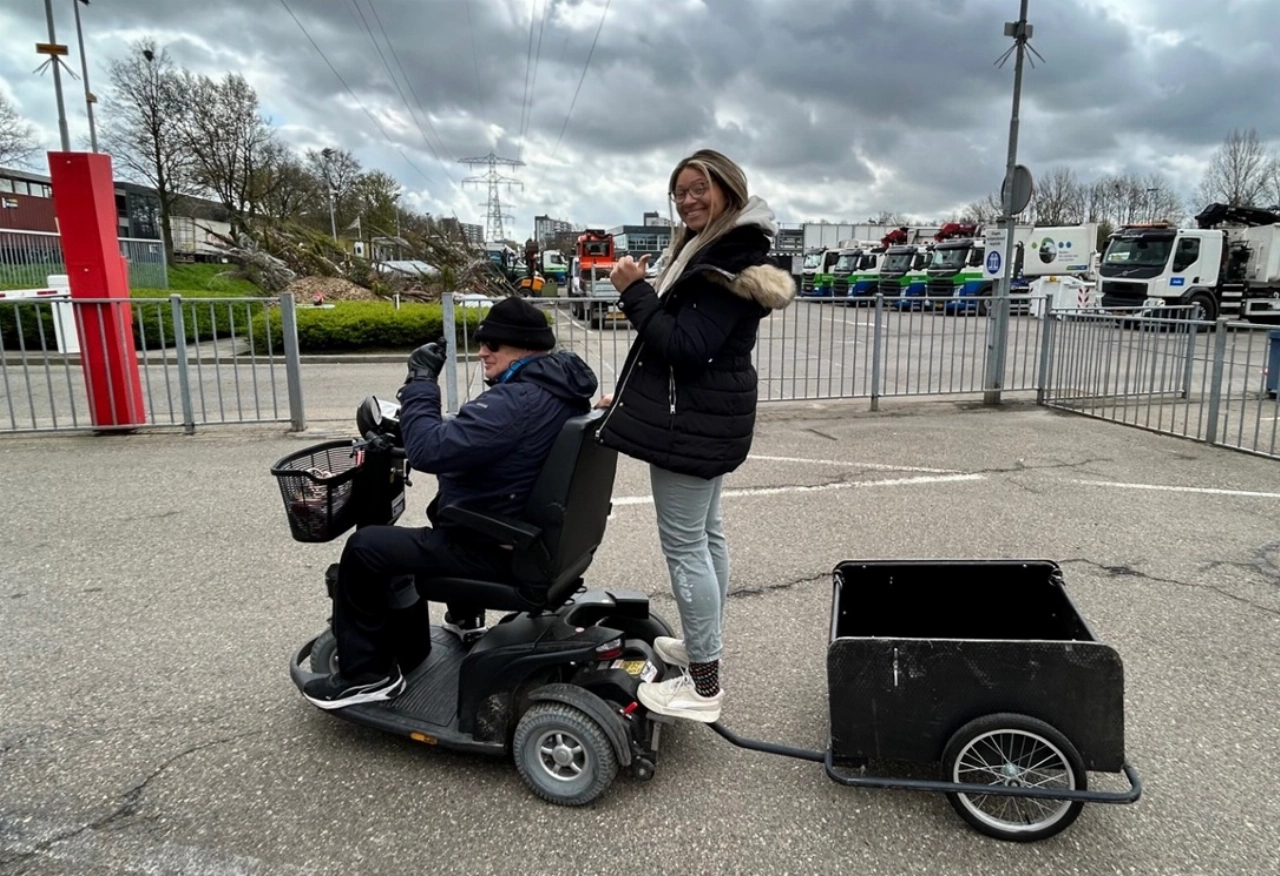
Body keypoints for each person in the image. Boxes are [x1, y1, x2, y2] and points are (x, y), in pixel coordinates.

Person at [303, 297, 599, 710]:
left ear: (527, 348)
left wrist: (421, 383)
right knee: (442, 507)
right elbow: (487, 437)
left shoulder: (512, 401)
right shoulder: (560, 391)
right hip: (534, 537)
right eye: (482, 342)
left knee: (367, 547)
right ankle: (465, 621)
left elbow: (426, 452)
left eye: (494, 345)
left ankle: (367, 678)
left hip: (494, 548)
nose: (483, 351)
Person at [594, 149, 796, 723]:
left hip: (692, 427)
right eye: (679, 192)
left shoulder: (721, 263)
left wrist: (635, 291)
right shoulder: (714, 250)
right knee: (707, 538)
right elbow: (680, 350)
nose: (687, 200)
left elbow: (684, 345)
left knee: (687, 547)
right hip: (708, 417)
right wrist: (627, 394)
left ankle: (703, 683)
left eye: (697, 189)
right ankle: (701, 641)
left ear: (727, 190)